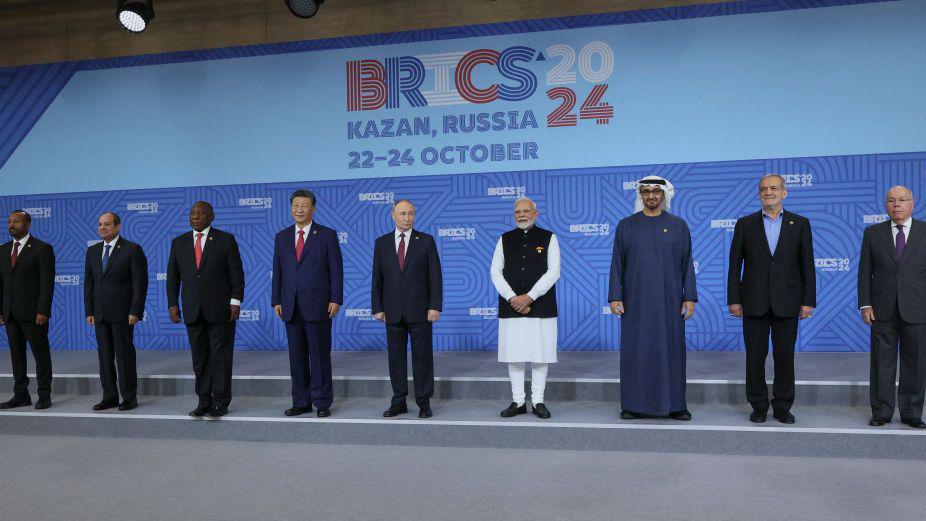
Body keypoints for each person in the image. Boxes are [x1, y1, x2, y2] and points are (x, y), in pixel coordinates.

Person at [727, 174, 815, 424]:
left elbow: (807, 265)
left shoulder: (800, 224)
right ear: (759, 194)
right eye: (764, 189)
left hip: (788, 302)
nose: (768, 192)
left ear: (784, 193)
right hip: (753, 301)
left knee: (784, 357)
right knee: (755, 357)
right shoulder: (745, 224)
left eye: (774, 188)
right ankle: (758, 405)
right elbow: (735, 266)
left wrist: (808, 301)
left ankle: (783, 406)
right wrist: (734, 299)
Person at [608, 176, 697, 421]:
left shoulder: (679, 225)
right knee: (636, 351)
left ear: (664, 195)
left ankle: (677, 404)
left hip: (670, 302)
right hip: (635, 302)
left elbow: (687, 263)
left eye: (655, 192)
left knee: (672, 350)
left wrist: (689, 297)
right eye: (645, 192)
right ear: (640, 195)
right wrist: (615, 296)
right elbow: (617, 264)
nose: (650, 196)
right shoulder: (626, 225)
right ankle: (632, 405)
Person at [166, 201, 244, 418]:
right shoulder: (178, 243)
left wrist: (235, 302)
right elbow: (172, 278)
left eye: (200, 213)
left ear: (211, 216)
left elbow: (236, 274)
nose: (195, 217)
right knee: (199, 359)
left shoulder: (225, 240)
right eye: (192, 213)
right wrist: (172, 304)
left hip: (221, 310)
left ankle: (221, 401)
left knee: (220, 357)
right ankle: (203, 401)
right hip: (192, 310)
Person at [858, 185, 926, 429]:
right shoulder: (872, 233)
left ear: (912, 203)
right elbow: (865, 272)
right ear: (885, 205)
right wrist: (865, 304)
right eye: (891, 201)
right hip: (882, 309)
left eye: (902, 200)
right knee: (882, 363)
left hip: (918, 309)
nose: (896, 204)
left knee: (916, 363)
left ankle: (911, 413)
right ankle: (882, 412)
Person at [272, 189, 343, 418]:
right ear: (291, 208)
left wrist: (335, 298)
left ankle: (322, 402)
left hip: (319, 305)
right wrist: (276, 300)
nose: (299, 210)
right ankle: (301, 401)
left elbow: (336, 271)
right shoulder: (281, 237)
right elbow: (278, 271)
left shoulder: (327, 235)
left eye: (304, 206)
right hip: (290, 305)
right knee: (296, 357)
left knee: (320, 357)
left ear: (313, 208)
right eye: (295, 206)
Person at [371, 199, 442, 418]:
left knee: (422, 358)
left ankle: (423, 402)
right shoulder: (381, 243)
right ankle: (399, 401)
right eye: (402, 214)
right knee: (396, 359)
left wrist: (435, 306)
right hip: (392, 311)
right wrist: (378, 307)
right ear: (393, 215)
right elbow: (377, 279)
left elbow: (435, 277)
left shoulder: (426, 241)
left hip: (420, 311)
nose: (407, 217)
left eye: (410, 213)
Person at [490, 197, 560, 419]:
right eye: (517, 212)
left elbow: (553, 272)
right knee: (515, 355)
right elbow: (495, 272)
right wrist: (513, 298)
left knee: (540, 356)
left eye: (526, 211)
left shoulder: (549, 238)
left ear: (535, 213)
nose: (521, 215)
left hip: (541, 306)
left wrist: (529, 297)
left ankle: (538, 401)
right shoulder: (504, 239)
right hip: (511, 306)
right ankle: (518, 401)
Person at [84, 212, 148, 411]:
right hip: (100, 314)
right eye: (100, 224)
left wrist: (135, 310)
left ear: (118, 227)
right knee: (104, 357)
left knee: (124, 356)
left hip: (123, 314)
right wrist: (89, 310)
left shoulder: (132, 249)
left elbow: (140, 283)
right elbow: (89, 283)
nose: (102, 227)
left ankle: (129, 397)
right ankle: (109, 396)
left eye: (107, 224)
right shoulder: (93, 251)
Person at [0, 210, 55, 410]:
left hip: (34, 314)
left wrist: (43, 310)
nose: (11, 225)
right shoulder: (3, 250)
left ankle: (44, 395)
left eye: (16, 221)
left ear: (28, 224)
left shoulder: (42, 249)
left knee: (41, 355)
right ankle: (21, 395)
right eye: (9, 221)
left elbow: (47, 284)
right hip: (11, 314)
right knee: (17, 356)